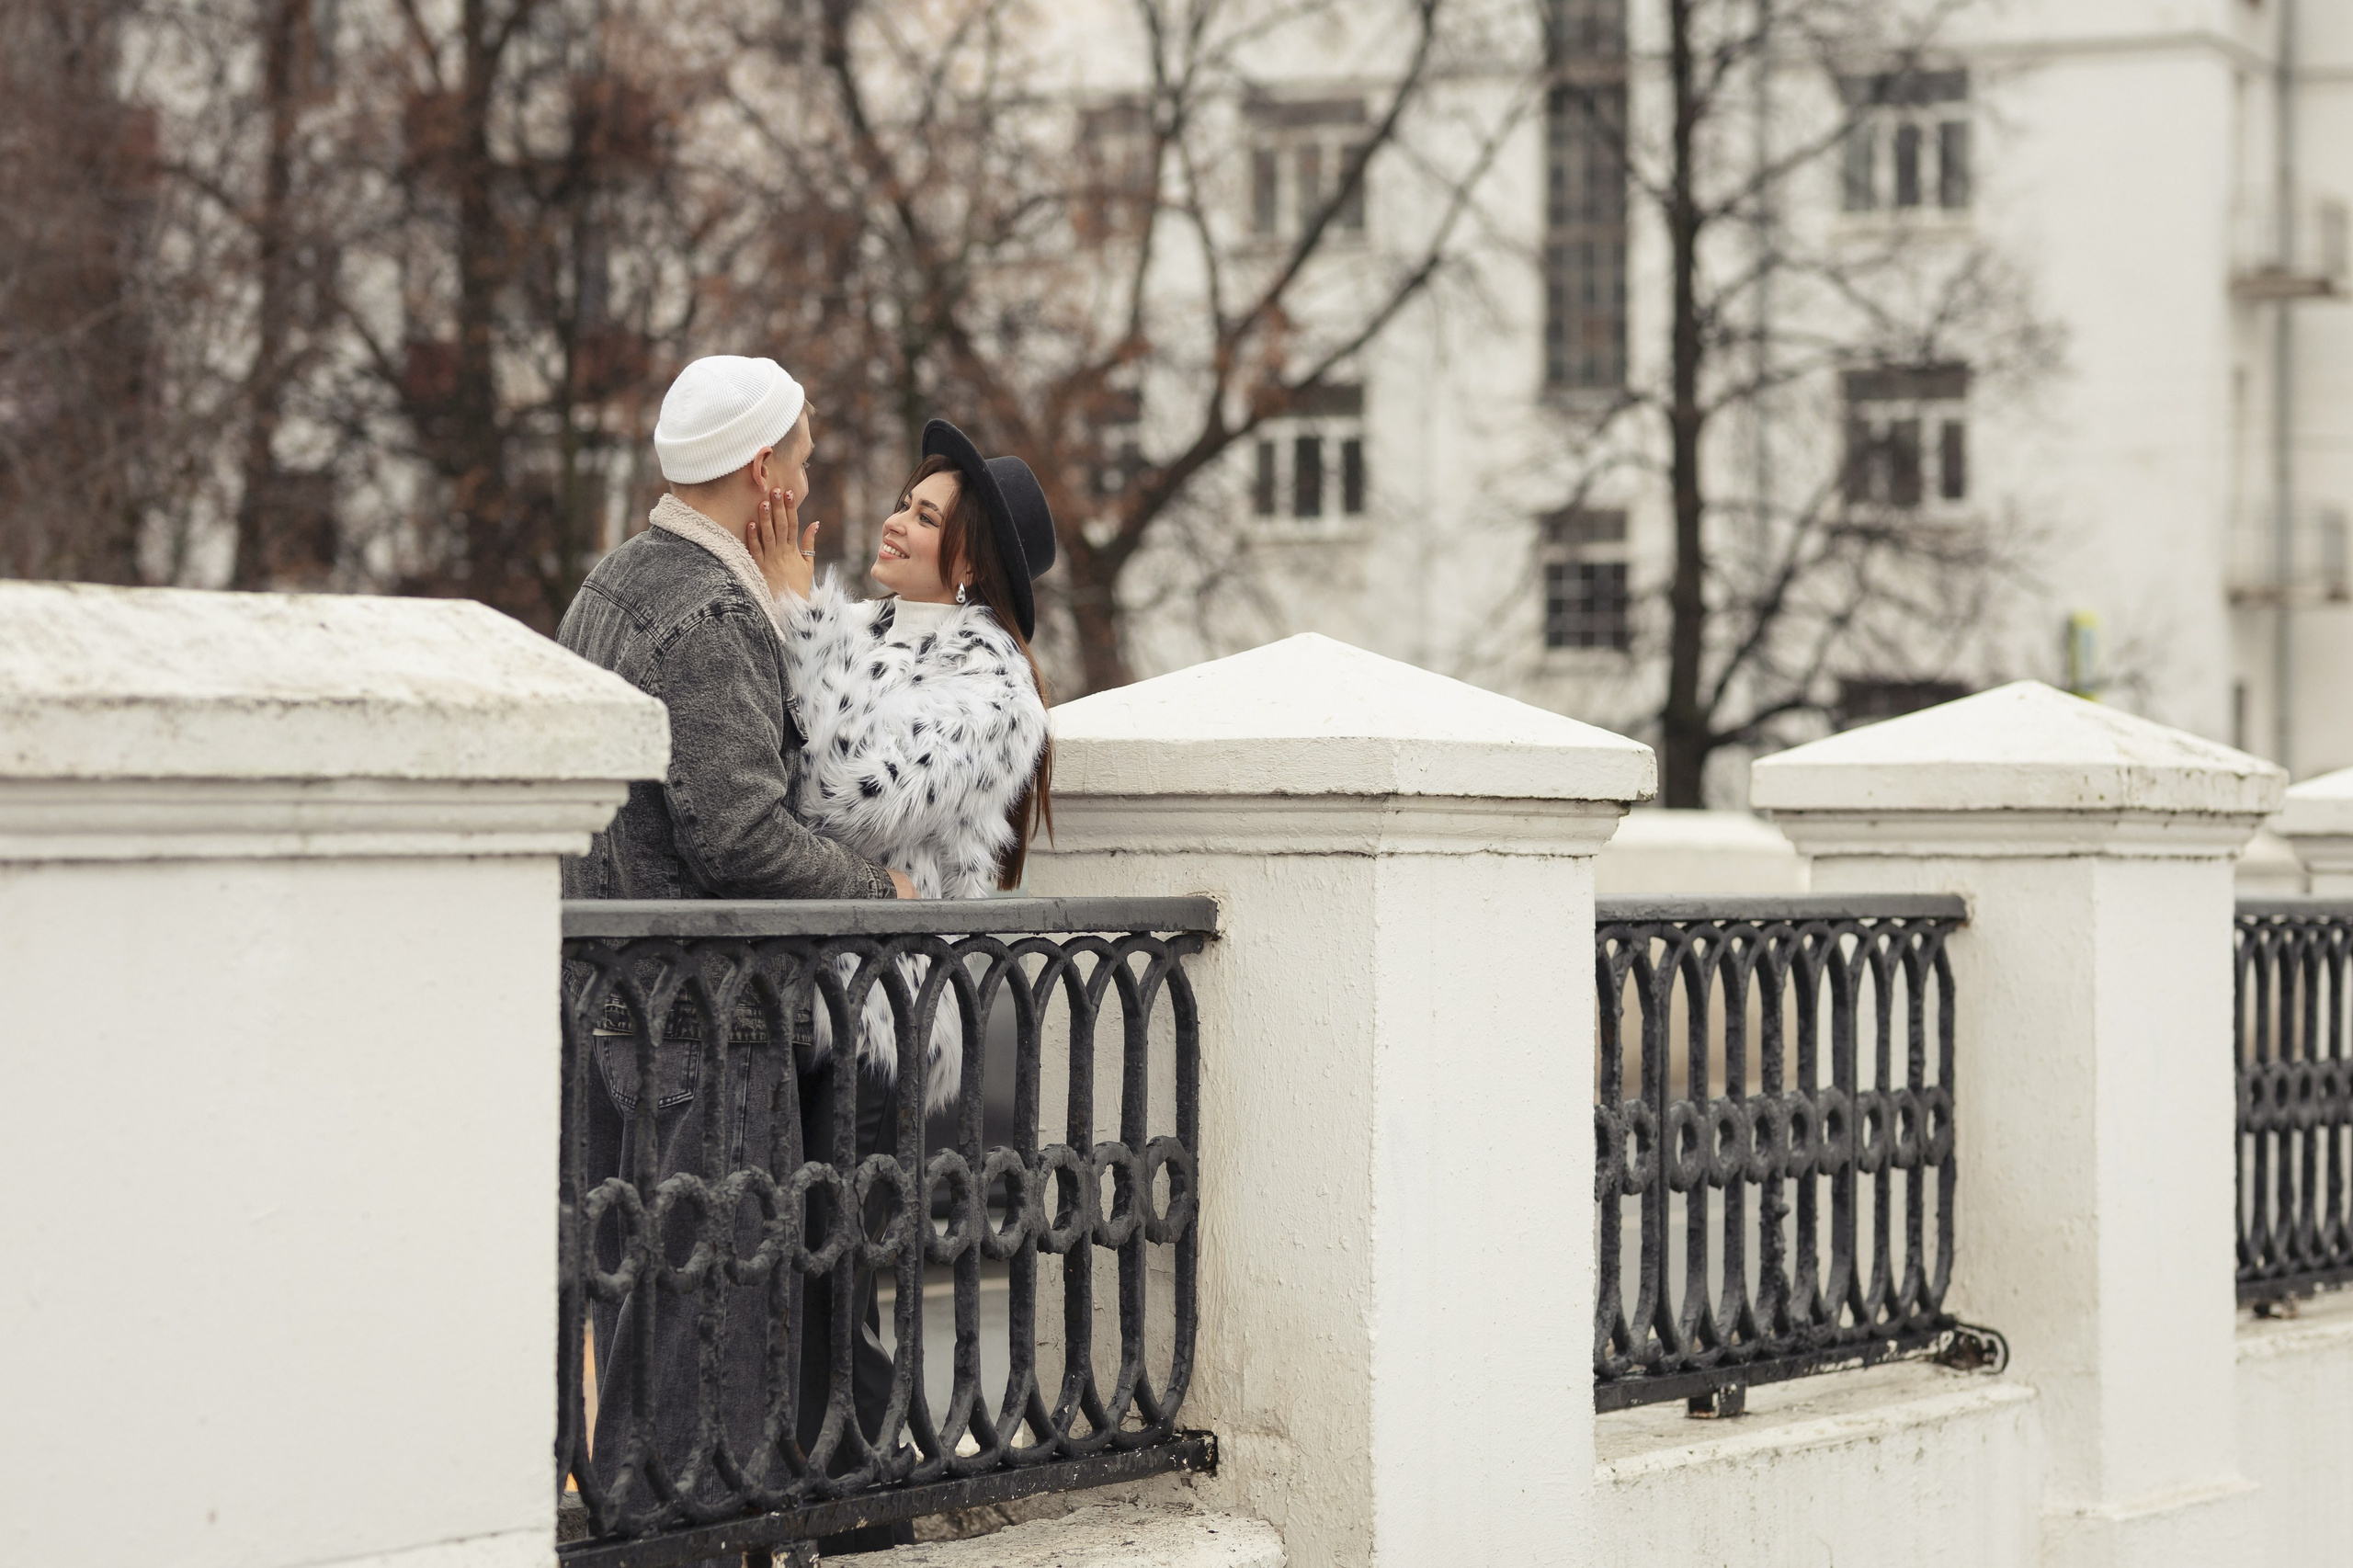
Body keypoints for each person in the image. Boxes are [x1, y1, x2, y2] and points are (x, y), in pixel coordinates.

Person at [555, 356, 918, 1553]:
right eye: (803, 459)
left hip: (617, 1009)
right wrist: (874, 890)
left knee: (651, 1308)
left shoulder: (616, 582)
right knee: (705, 1340)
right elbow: (739, 833)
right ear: (763, 470)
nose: (809, 480)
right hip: (707, 1027)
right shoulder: (708, 614)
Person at [745, 417, 1057, 1119]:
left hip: (876, 1021)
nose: (895, 522)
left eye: (926, 517)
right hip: (779, 996)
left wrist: (803, 620)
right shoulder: (854, 629)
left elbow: (836, 798)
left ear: (971, 563)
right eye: (904, 504)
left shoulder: (996, 696)